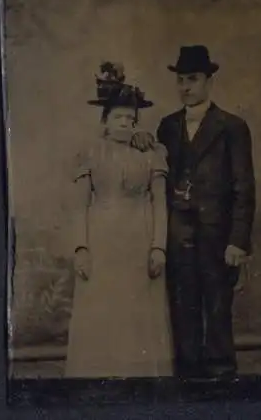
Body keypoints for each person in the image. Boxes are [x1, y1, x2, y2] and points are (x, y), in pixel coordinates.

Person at [132, 45, 256, 380]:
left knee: (217, 311)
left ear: (209, 81)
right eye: (180, 79)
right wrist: (137, 138)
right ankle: (187, 385)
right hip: (178, 234)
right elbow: (153, 170)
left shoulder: (232, 127)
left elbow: (244, 189)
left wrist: (238, 241)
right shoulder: (167, 126)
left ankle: (222, 382)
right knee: (183, 310)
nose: (185, 86)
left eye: (193, 79)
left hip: (217, 236)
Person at [65, 61, 173, 378]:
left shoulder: (152, 152)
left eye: (131, 118)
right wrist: (80, 248)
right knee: (104, 309)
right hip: (102, 240)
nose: (125, 123)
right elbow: (78, 206)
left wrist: (159, 247)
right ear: (105, 121)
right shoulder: (91, 153)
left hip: (140, 237)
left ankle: (139, 384)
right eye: (118, 117)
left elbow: (160, 204)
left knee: (139, 315)